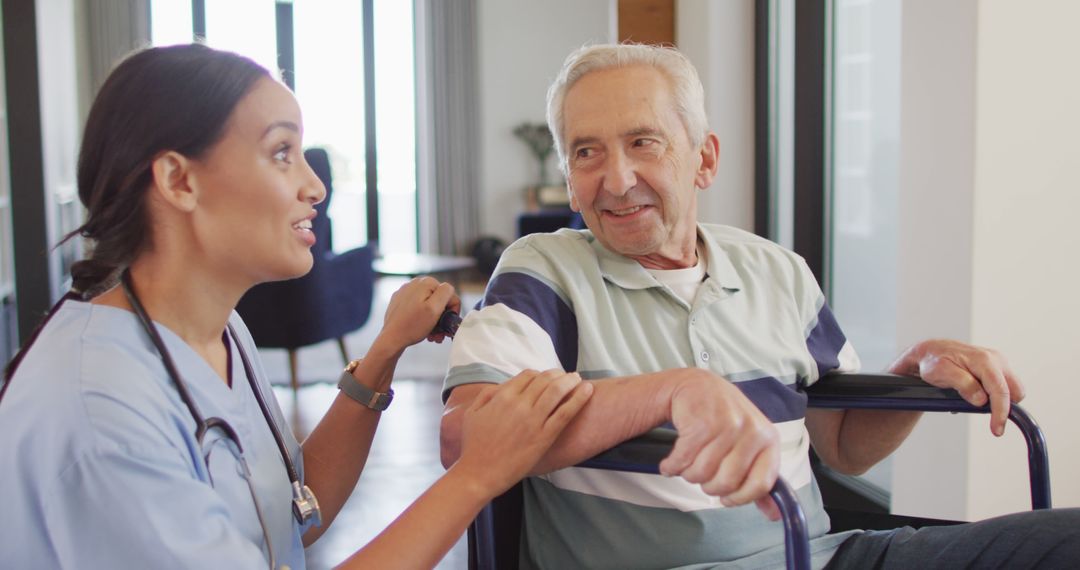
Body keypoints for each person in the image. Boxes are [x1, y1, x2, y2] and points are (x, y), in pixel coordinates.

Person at [440, 43, 1079, 569]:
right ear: (571, 182)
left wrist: (912, 369)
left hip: (821, 555)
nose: (617, 178)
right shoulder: (545, 270)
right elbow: (463, 435)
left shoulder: (777, 270)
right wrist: (673, 391)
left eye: (644, 142)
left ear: (704, 159)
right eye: (587, 152)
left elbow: (846, 448)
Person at [0, 43, 593, 569]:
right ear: (179, 181)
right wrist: (476, 476)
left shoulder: (220, 331)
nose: (315, 185)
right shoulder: (100, 411)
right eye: (281, 152)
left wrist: (383, 353)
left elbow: (293, 514)